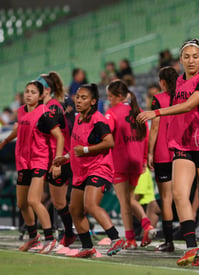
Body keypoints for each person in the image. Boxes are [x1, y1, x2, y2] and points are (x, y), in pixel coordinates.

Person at [137, 39, 199, 267]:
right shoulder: (179, 84)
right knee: (178, 194)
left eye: (195, 56)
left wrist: (156, 112)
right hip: (184, 145)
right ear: (181, 60)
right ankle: (192, 247)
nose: (191, 60)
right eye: (187, 56)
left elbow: (189, 106)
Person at [54, 83, 125, 258]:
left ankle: (116, 238)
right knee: (75, 209)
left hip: (99, 168)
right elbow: (78, 146)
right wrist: (68, 157)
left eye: (83, 98)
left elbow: (109, 142)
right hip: (80, 171)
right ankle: (87, 247)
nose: (78, 100)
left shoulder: (98, 120)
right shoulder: (78, 119)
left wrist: (85, 151)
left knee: (90, 205)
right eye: (77, 97)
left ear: (93, 102)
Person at [0, 81, 65, 254]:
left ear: (41, 95)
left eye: (33, 92)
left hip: (40, 160)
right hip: (23, 161)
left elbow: (59, 136)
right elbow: (18, 128)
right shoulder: (21, 111)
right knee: (22, 203)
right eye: (27, 91)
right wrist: (4, 141)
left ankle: (50, 239)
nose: (29, 94)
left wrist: (57, 161)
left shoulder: (44, 114)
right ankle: (34, 237)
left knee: (33, 200)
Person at [105, 80, 156, 249]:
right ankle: (141, 230)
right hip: (136, 163)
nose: (108, 100)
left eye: (110, 97)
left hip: (120, 162)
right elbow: (146, 137)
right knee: (129, 199)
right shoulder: (139, 111)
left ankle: (136, 235)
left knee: (125, 202)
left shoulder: (112, 113)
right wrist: (143, 160)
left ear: (119, 96)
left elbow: (106, 136)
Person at [37, 72, 75, 247]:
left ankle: (67, 234)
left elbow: (59, 134)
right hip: (69, 155)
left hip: (58, 158)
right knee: (62, 202)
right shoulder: (65, 102)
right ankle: (68, 234)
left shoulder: (52, 106)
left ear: (46, 89)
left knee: (60, 202)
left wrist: (56, 161)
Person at [147, 66, 179, 252]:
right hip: (184, 153)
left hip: (163, 153)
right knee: (184, 198)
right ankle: (194, 240)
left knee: (166, 199)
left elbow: (155, 128)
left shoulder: (159, 99)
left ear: (163, 82)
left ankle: (169, 242)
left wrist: (150, 153)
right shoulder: (185, 98)